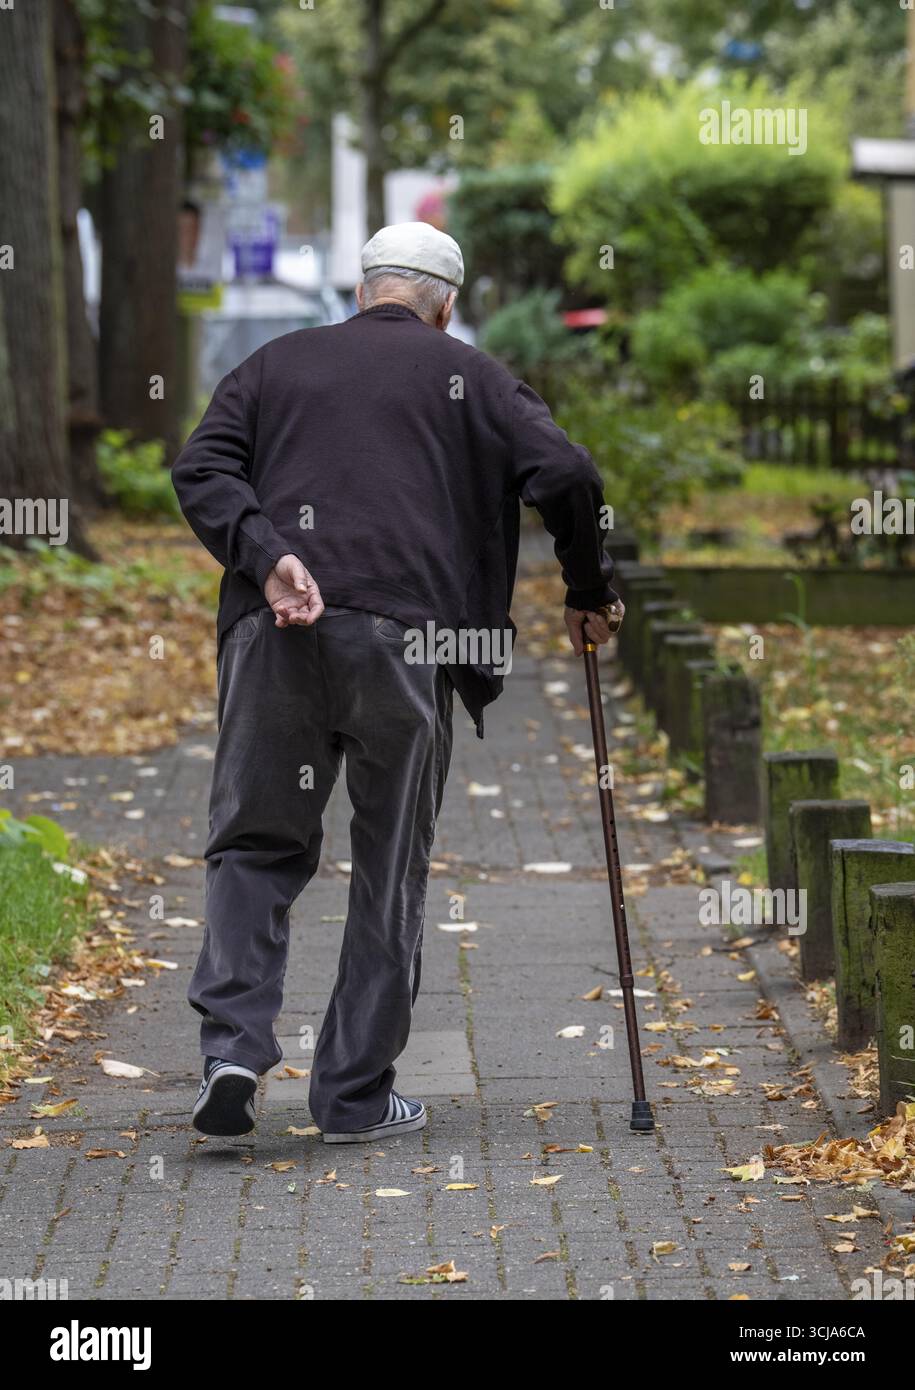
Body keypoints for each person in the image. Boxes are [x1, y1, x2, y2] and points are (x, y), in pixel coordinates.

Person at [171, 221, 622, 1143]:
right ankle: (353, 1096)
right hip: (410, 641)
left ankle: (233, 1054)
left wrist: (269, 557)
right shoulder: (476, 379)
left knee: (254, 843)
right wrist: (585, 588)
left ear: (361, 289)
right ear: (444, 306)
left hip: (277, 629)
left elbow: (202, 466)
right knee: (387, 867)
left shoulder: (277, 362)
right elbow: (567, 473)